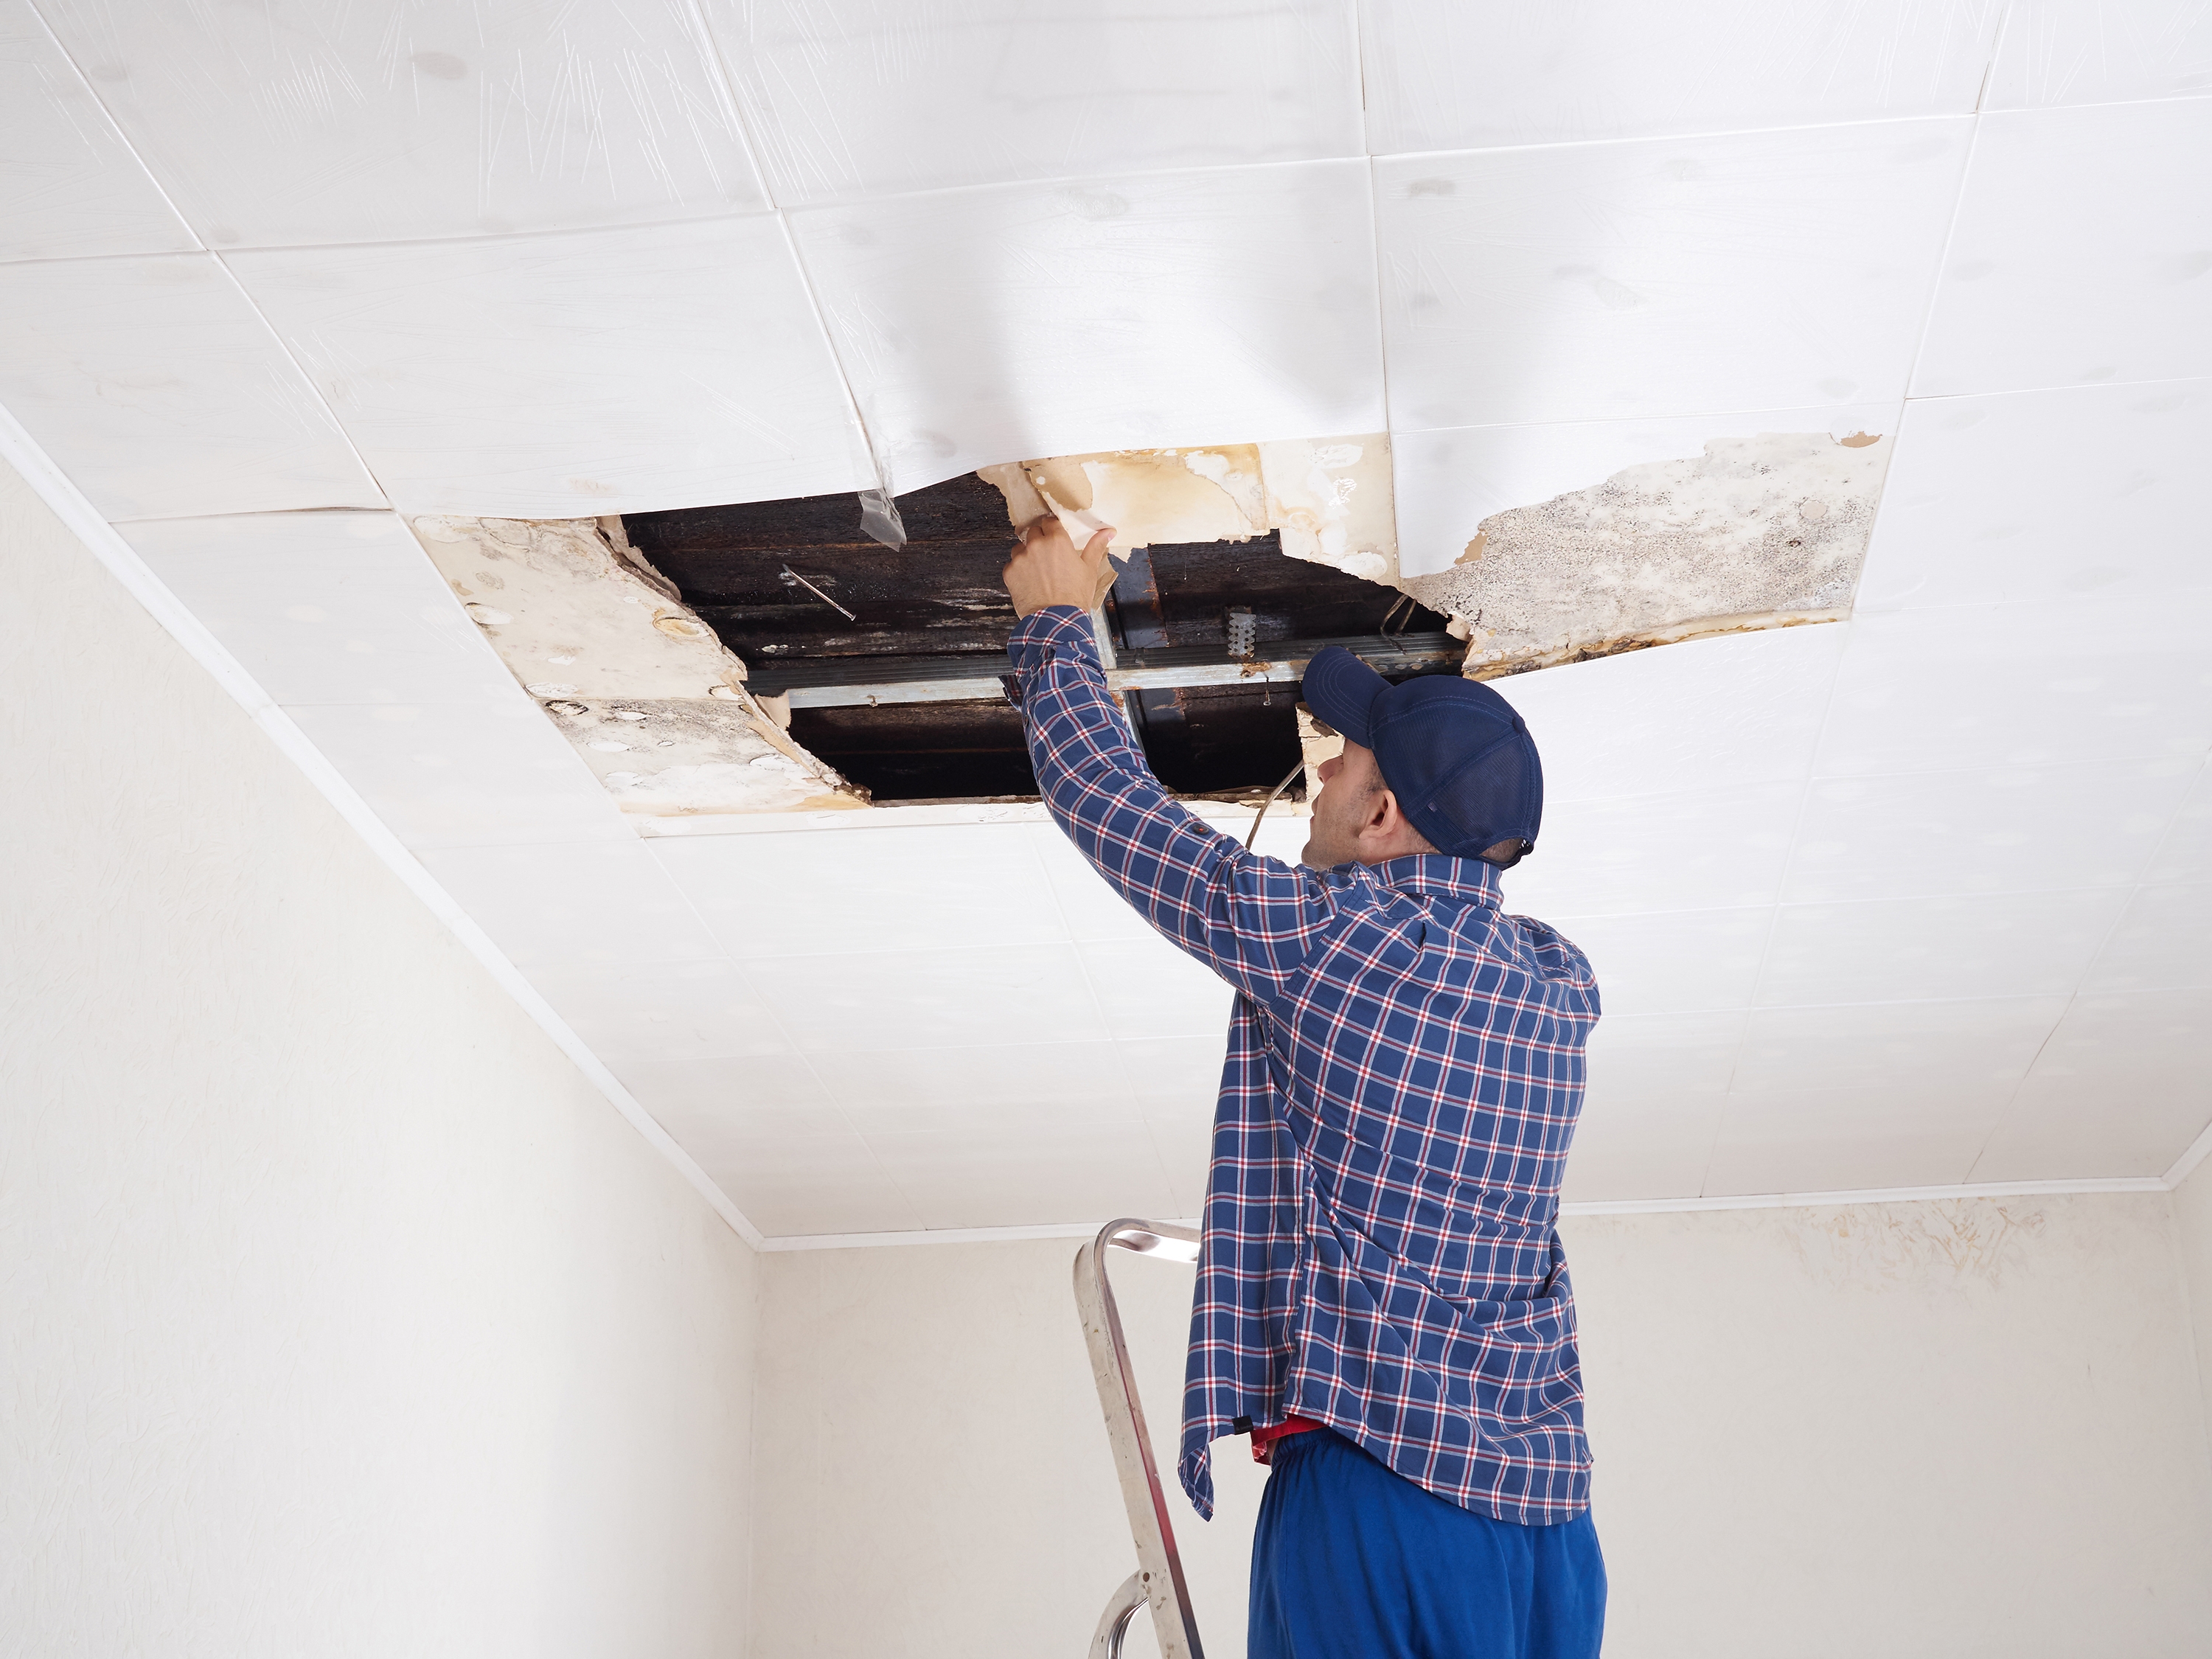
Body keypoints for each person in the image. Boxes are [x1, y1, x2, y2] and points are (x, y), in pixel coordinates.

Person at [1001, 515, 1607, 1659]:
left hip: (1382, 1494)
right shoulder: (1556, 984)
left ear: (1381, 817)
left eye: (1347, 761)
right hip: (1548, 1530)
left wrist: (1053, 620)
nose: (1319, 768)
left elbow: (1117, 814)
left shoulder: (1338, 945)